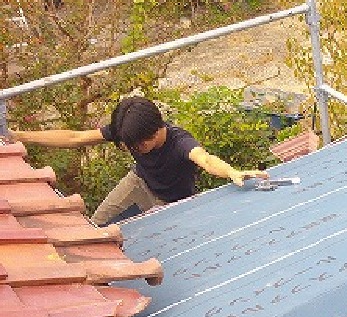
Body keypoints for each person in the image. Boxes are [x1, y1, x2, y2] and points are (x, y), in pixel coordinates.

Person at [9, 96, 268, 225]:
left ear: (155, 132)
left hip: (174, 202)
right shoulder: (129, 129)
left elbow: (206, 159)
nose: (134, 149)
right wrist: (19, 136)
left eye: (137, 145)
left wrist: (232, 172)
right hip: (138, 183)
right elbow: (76, 137)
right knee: (96, 225)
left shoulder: (180, 142)